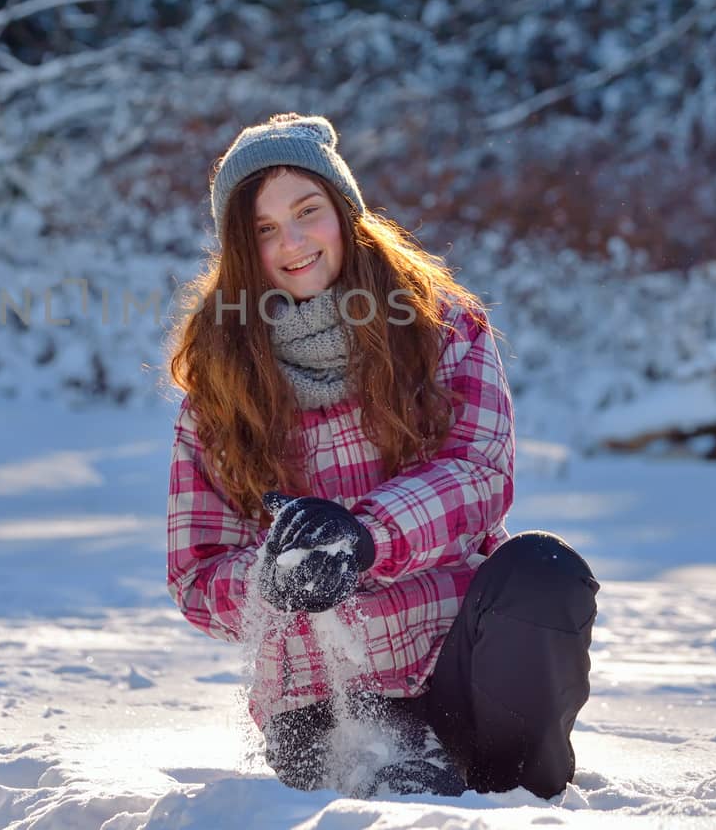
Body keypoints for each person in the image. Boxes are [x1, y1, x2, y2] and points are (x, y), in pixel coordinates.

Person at [164, 113, 599, 800]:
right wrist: (270, 579)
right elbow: (196, 572)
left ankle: (522, 792)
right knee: (401, 796)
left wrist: (364, 536)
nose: (293, 242)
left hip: (459, 662)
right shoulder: (220, 384)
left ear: (346, 212)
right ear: (242, 250)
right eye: (265, 229)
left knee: (545, 571)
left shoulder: (442, 327)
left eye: (308, 212)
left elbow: (481, 473)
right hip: (324, 693)